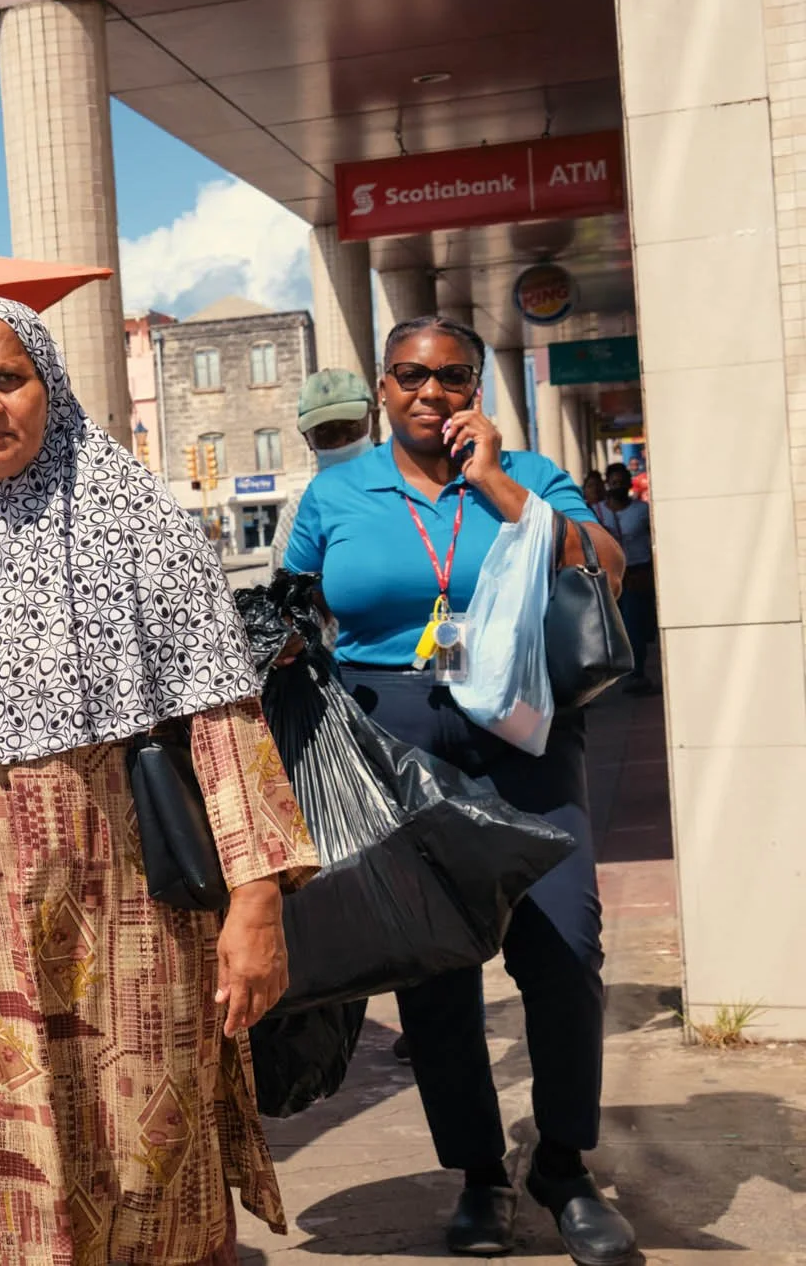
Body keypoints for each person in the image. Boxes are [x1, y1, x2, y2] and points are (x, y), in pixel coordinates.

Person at [0, 296, 318, 1266]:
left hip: (125, 934)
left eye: (5, 378)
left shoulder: (141, 524)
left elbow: (223, 722)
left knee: (148, 1179)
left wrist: (256, 900)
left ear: (48, 384)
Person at [282, 315, 633, 1266]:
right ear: (382, 388)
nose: (429, 393)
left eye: (451, 377)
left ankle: (562, 1164)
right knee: (433, 967)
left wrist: (499, 488)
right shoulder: (336, 492)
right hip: (390, 739)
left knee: (565, 946)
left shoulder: (530, 475)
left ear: (475, 387)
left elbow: (605, 569)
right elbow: (296, 604)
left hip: (519, 729)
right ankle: (481, 1173)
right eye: (410, 375)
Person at [271, 367, 378, 569]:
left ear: (374, 419)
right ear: (307, 440)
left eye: (350, 428)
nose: (340, 442)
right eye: (324, 433)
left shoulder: (408, 490)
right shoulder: (295, 517)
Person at [597, 463, 657, 696]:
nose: (617, 486)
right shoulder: (596, 512)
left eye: (621, 482)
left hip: (636, 574)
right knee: (610, 626)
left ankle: (636, 672)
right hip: (607, 576)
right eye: (613, 482)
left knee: (634, 625)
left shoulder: (642, 510)